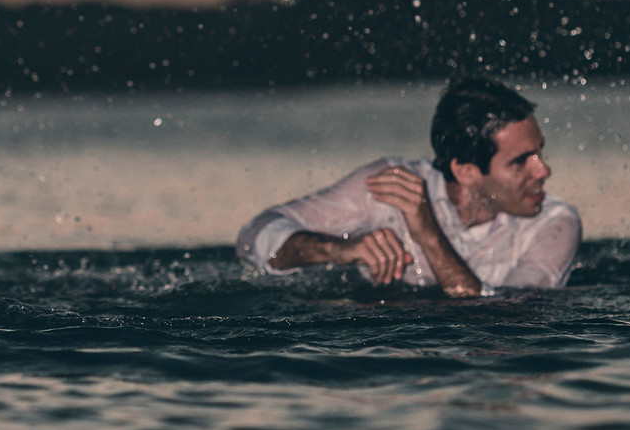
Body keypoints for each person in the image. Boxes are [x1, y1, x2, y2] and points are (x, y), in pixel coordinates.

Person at [236, 76, 581, 297]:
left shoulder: (555, 223)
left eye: (540, 152)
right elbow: (254, 237)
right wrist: (338, 249)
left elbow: (509, 325)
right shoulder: (394, 186)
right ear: (466, 171)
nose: (544, 170)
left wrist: (428, 233)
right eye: (521, 161)